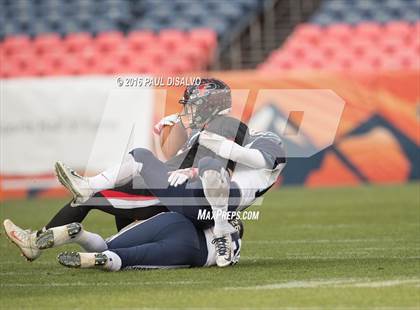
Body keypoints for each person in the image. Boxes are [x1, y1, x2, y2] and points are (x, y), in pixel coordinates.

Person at [3, 78, 286, 267]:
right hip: (188, 199)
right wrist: (180, 140)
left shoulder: (225, 129)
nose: (190, 110)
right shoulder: (211, 131)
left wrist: (189, 166)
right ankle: (75, 232)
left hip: (185, 202)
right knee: (111, 192)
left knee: (97, 194)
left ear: (210, 105)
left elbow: (214, 169)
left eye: (194, 105)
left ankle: (39, 240)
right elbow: (178, 162)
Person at [5, 211, 243, 271]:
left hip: (173, 220)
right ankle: (102, 260)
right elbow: (225, 259)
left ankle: (80, 235)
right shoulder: (234, 241)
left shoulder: (213, 205)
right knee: (126, 259)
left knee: (109, 243)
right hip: (192, 249)